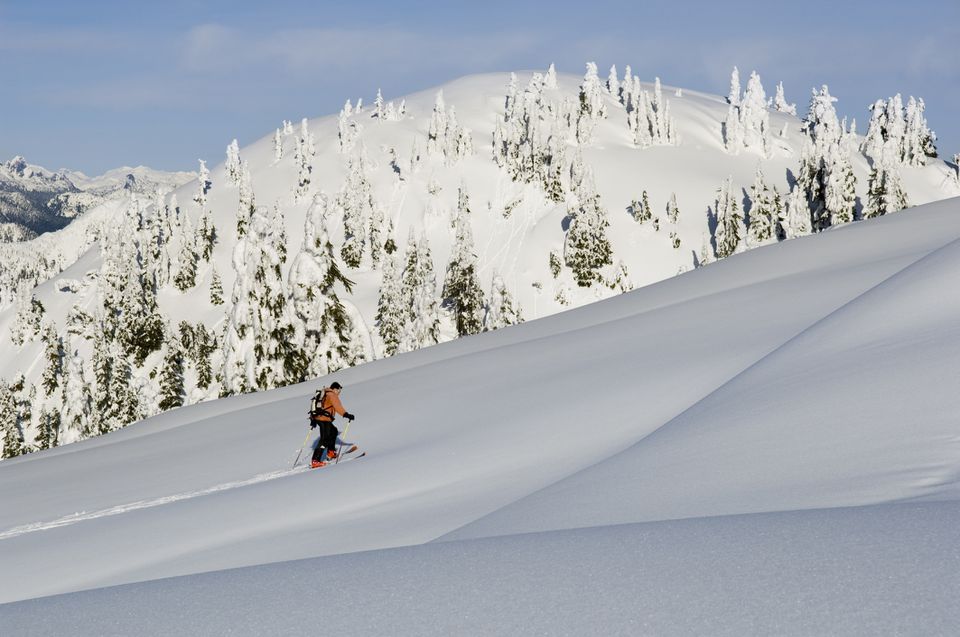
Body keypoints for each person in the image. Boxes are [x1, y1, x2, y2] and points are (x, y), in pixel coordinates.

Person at [310, 381, 356, 468]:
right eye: (339, 391)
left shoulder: (325, 393)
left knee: (334, 431)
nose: (339, 393)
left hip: (320, 418)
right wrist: (346, 414)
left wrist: (313, 419)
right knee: (324, 438)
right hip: (324, 419)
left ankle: (331, 452)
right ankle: (315, 460)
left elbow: (316, 406)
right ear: (335, 389)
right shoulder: (332, 395)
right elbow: (337, 406)